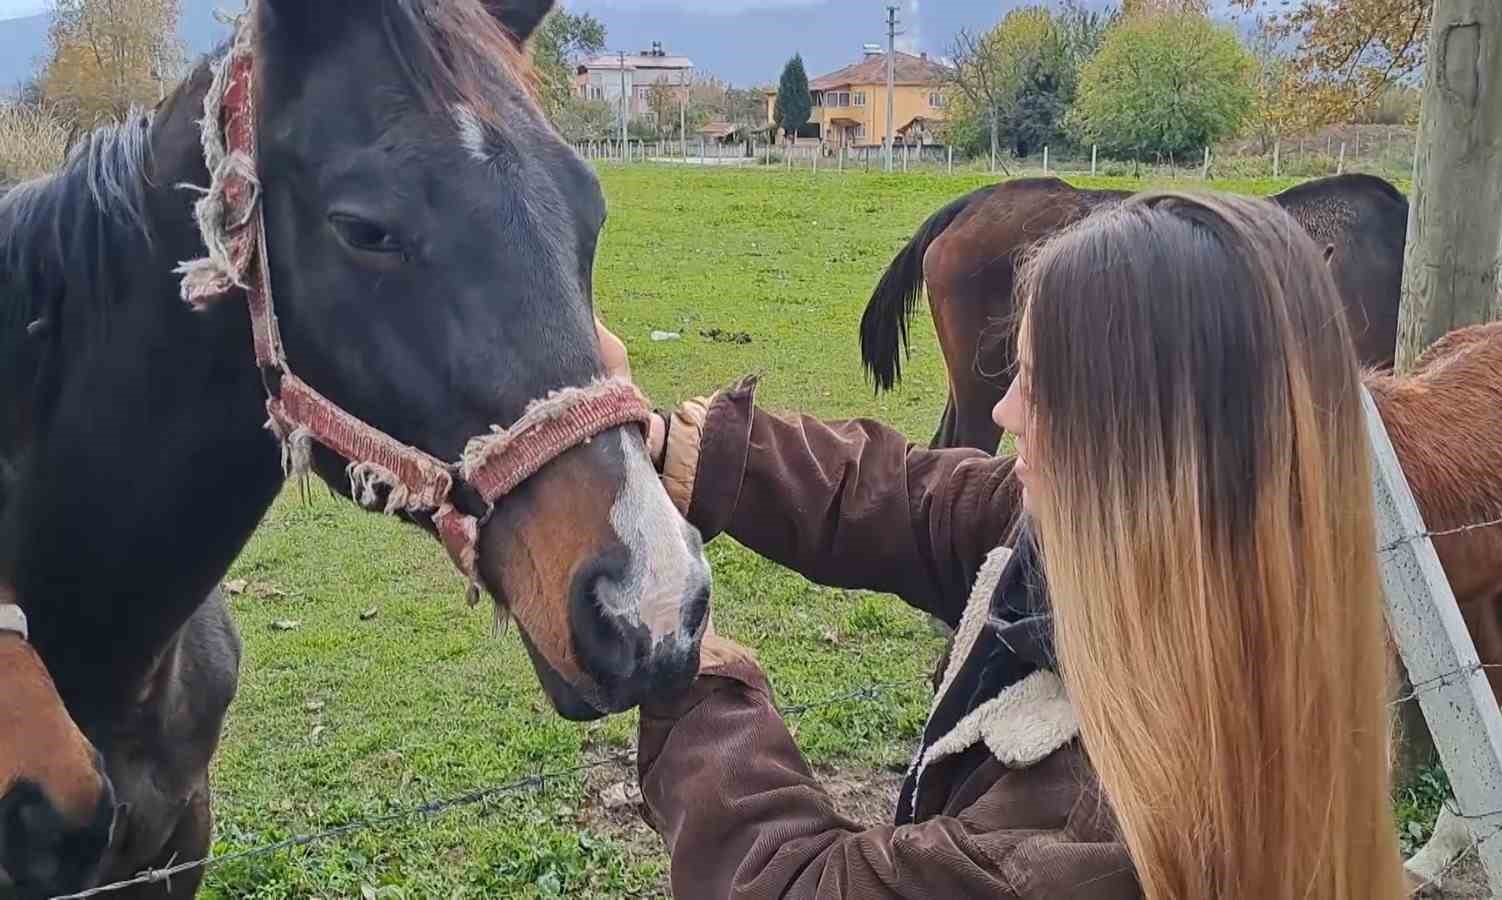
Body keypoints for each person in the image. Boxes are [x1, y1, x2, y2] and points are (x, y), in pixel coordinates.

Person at [598, 191, 1406, 900]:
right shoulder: (1245, 585)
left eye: (1038, 383)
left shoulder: (1083, 835)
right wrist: (697, 453)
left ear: (1135, 449)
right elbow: (924, 503)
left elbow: (799, 885)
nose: (1004, 413)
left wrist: (687, 658)